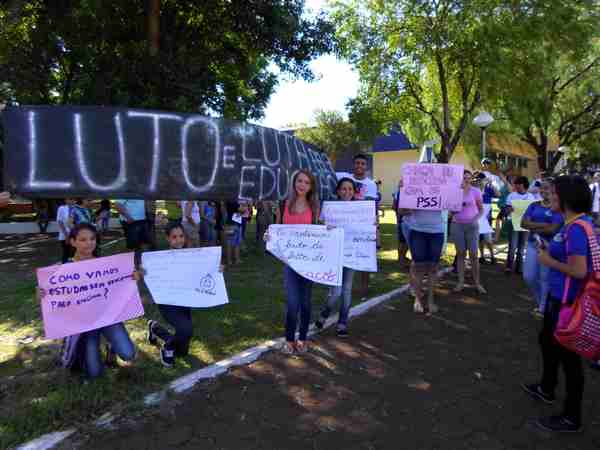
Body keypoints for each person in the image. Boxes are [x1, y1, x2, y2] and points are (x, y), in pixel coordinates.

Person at [522, 175, 592, 433]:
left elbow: (578, 270)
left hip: (567, 302)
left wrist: (547, 260)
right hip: (557, 298)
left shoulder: (576, 228)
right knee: (546, 341)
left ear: (566, 198)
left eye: (553, 193)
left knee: (569, 361)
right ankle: (546, 388)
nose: (549, 196)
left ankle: (571, 417)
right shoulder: (571, 224)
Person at [38, 223, 137, 379]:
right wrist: (41, 293)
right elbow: (51, 294)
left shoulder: (106, 265)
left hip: (107, 318)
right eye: (83, 239)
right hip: (84, 324)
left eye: (92, 238)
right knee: (95, 374)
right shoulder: (62, 270)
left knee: (129, 354)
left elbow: (120, 283)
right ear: (72, 242)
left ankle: (111, 347)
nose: (89, 243)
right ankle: (85, 352)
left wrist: (133, 277)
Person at [267, 169, 320, 355]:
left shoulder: (314, 207)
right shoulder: (284, 204)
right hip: (290, 263)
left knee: (305, 303)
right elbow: (278, 229)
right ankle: (289, 339)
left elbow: (318, 233)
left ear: (311, 186)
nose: (302, 185)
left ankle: (302, 339)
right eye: (299, 181)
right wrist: (270, 235)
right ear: (293, 182)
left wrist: (327, 232)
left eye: (306, 182)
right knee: (293, 303)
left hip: (309, 263)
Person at [144, 223, 193, 367]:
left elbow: (203, 271)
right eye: (174, 237)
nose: (178, 240)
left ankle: (154, 328)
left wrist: (217, 269)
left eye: (181, 236)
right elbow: (148, 274)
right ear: (168, 239)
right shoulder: (160, 259)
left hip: (185, 301)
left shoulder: (192, 256)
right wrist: (143, 271)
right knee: (186, 330)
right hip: (168, 302)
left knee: (183, 351)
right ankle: (167, 348)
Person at [314, 177, 356, 337]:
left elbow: (367, 228)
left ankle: (342, 323)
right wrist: (326, 227)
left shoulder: (360, 209)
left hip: (352, 255)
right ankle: (324, 314)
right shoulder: (330, 208)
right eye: (344, 189)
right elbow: (321, 228)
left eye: (350, 189)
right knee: (336, 291)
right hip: (334, 254)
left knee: (346, 290)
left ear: (354, 192)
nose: (347, 192)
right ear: (338, 191)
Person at [337, 154, 378, 298]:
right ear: (353, 165)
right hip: (345, 225)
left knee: (364, 257)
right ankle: (341, 287)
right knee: (344, 255)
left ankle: (364, 289)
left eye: (362, 164)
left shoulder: (371, 184)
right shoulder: (342, 176)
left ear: (366, 167)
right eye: (357, 163)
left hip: (364, 227)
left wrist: (376, 227)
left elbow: (373, 205)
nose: (359, 166)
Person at [400, 188, 445, 314]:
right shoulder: (412, 189)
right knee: (419, 267)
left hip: (436, 232)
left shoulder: (444, 188)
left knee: (433, 268)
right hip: (417, 231)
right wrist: (411, 208)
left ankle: (430, 301)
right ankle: (418, 300)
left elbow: (455, 209)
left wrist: (457, 194)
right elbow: (401, 211)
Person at [520, 179, 563, 315]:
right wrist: (544, 225)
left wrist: (533, 224)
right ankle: (541, 303)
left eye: (547, 188)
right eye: (542, 188)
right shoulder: (533, 205)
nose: (543, 191)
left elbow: (553, 230)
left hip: (549, 247)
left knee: (544, 279)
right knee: (528, 276)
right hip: (533, 245)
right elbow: (523, 223)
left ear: (553, 190)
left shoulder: (557, 208)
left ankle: (542, 308)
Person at [451, 170, 486, 294]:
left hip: (472, 226)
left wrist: (474, 219)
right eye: (464, 177)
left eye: (468, 178)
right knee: (460, 253)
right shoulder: (454, 191)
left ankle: (477, 283)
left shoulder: (475, 191)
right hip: (457, 225)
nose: (466, 179)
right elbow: (450, 210)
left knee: (474, 254)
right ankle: (461, 282)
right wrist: (453, 212)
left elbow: (481, 210)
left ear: (471, 179)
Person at [505, 176, 536, 274]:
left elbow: (533, 211)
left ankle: (519, 268)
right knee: (512, 247)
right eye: (516, 184)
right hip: (514, 223)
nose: (517, 186)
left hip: (525, 224)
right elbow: (506, 210)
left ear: (524, 185)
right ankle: (509, 267)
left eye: (519, 184)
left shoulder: (531, 197)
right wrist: (511, 209)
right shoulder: (511, 196)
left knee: (522, 248)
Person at [114, 199, 150, 265]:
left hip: (142, 220)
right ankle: (129, 265)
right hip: (131, 221)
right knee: (132, 246)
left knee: (142, 243)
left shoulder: (140, 191)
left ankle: (140, 263)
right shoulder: (126, 191)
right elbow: (117, 204)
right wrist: (128, 217)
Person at [477, 172, 498, 265]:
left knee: (488, 239)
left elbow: (498, 194)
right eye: (478, 180)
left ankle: (492, 255)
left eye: (482, 180)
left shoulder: (489, 188)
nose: (480, 181)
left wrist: (492, 184)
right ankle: (482, 256)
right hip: (477, 217)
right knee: (480, 238)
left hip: (486, 217)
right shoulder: (475, 189)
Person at [392, 179, 410, 267]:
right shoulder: (401, 191)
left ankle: (401, 259)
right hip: (403, 218)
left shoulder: (398, 191)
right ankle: (401, 260)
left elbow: (393, 206)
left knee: (402, 241)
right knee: (403, 242)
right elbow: (394, 205)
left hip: (401, 218)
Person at [224, 200, 243, 265]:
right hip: (231, 224)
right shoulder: (232, 201)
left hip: (236, 223)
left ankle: (236, 259)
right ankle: (229, 260)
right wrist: (244, 206)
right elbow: (242, 210)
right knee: (230, 243)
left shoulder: (233, 200)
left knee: (237, 242)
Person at [57, 199, 75, 263]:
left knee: (74, 253)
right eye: (70, 199)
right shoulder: (62, 208)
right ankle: (64, 269)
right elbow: (60, 222)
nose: (72, 201)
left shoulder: (77, 208)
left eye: (73, 199)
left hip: (75, 235)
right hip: (64, 235)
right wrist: (67, 235)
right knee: (66, 253)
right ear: (66, 200)